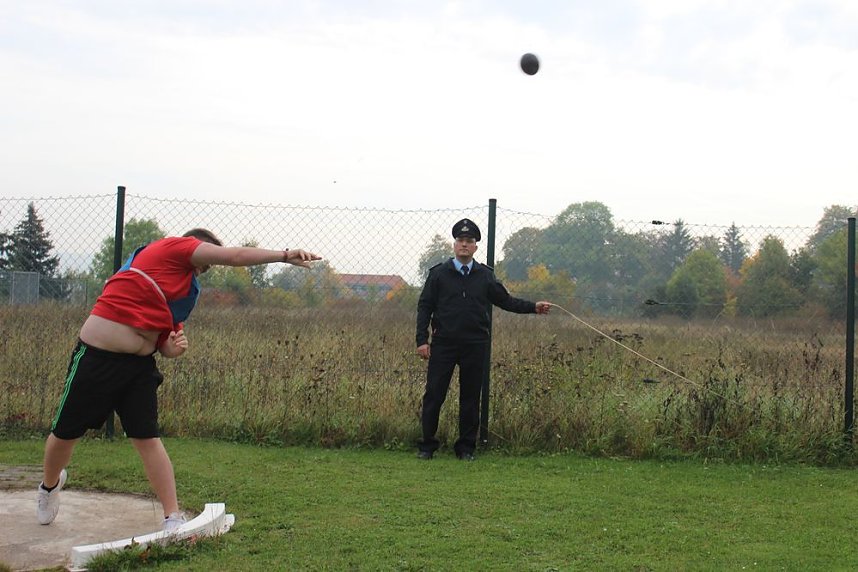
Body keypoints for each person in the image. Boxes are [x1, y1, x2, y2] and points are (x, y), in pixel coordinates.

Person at [37, 228, 321, 531]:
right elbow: (235, 256)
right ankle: (49, 487)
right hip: (97, 358)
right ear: (192, 245)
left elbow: (165, 342)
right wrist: (284, 255)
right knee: (66, 434)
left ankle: (172, 518)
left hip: (139, 367)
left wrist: (172, 349)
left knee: (148, 438)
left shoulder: (185, 290)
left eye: (206, 267)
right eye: (206, 259)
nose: (205, 268)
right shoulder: (172, 249)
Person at [415, 218, 550, 461]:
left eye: (469, 241)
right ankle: (427, 446)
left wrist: (533, 307)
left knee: (470, 397)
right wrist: (421, 340)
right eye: (460, 241)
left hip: (475, 345)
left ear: (475, 247)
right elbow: (425, 307)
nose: (464, 245)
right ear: (454, 245)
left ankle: (466, 448)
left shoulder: (485, 276)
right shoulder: (438, 274)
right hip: (444, 344)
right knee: (434, 394)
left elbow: (506, 301)